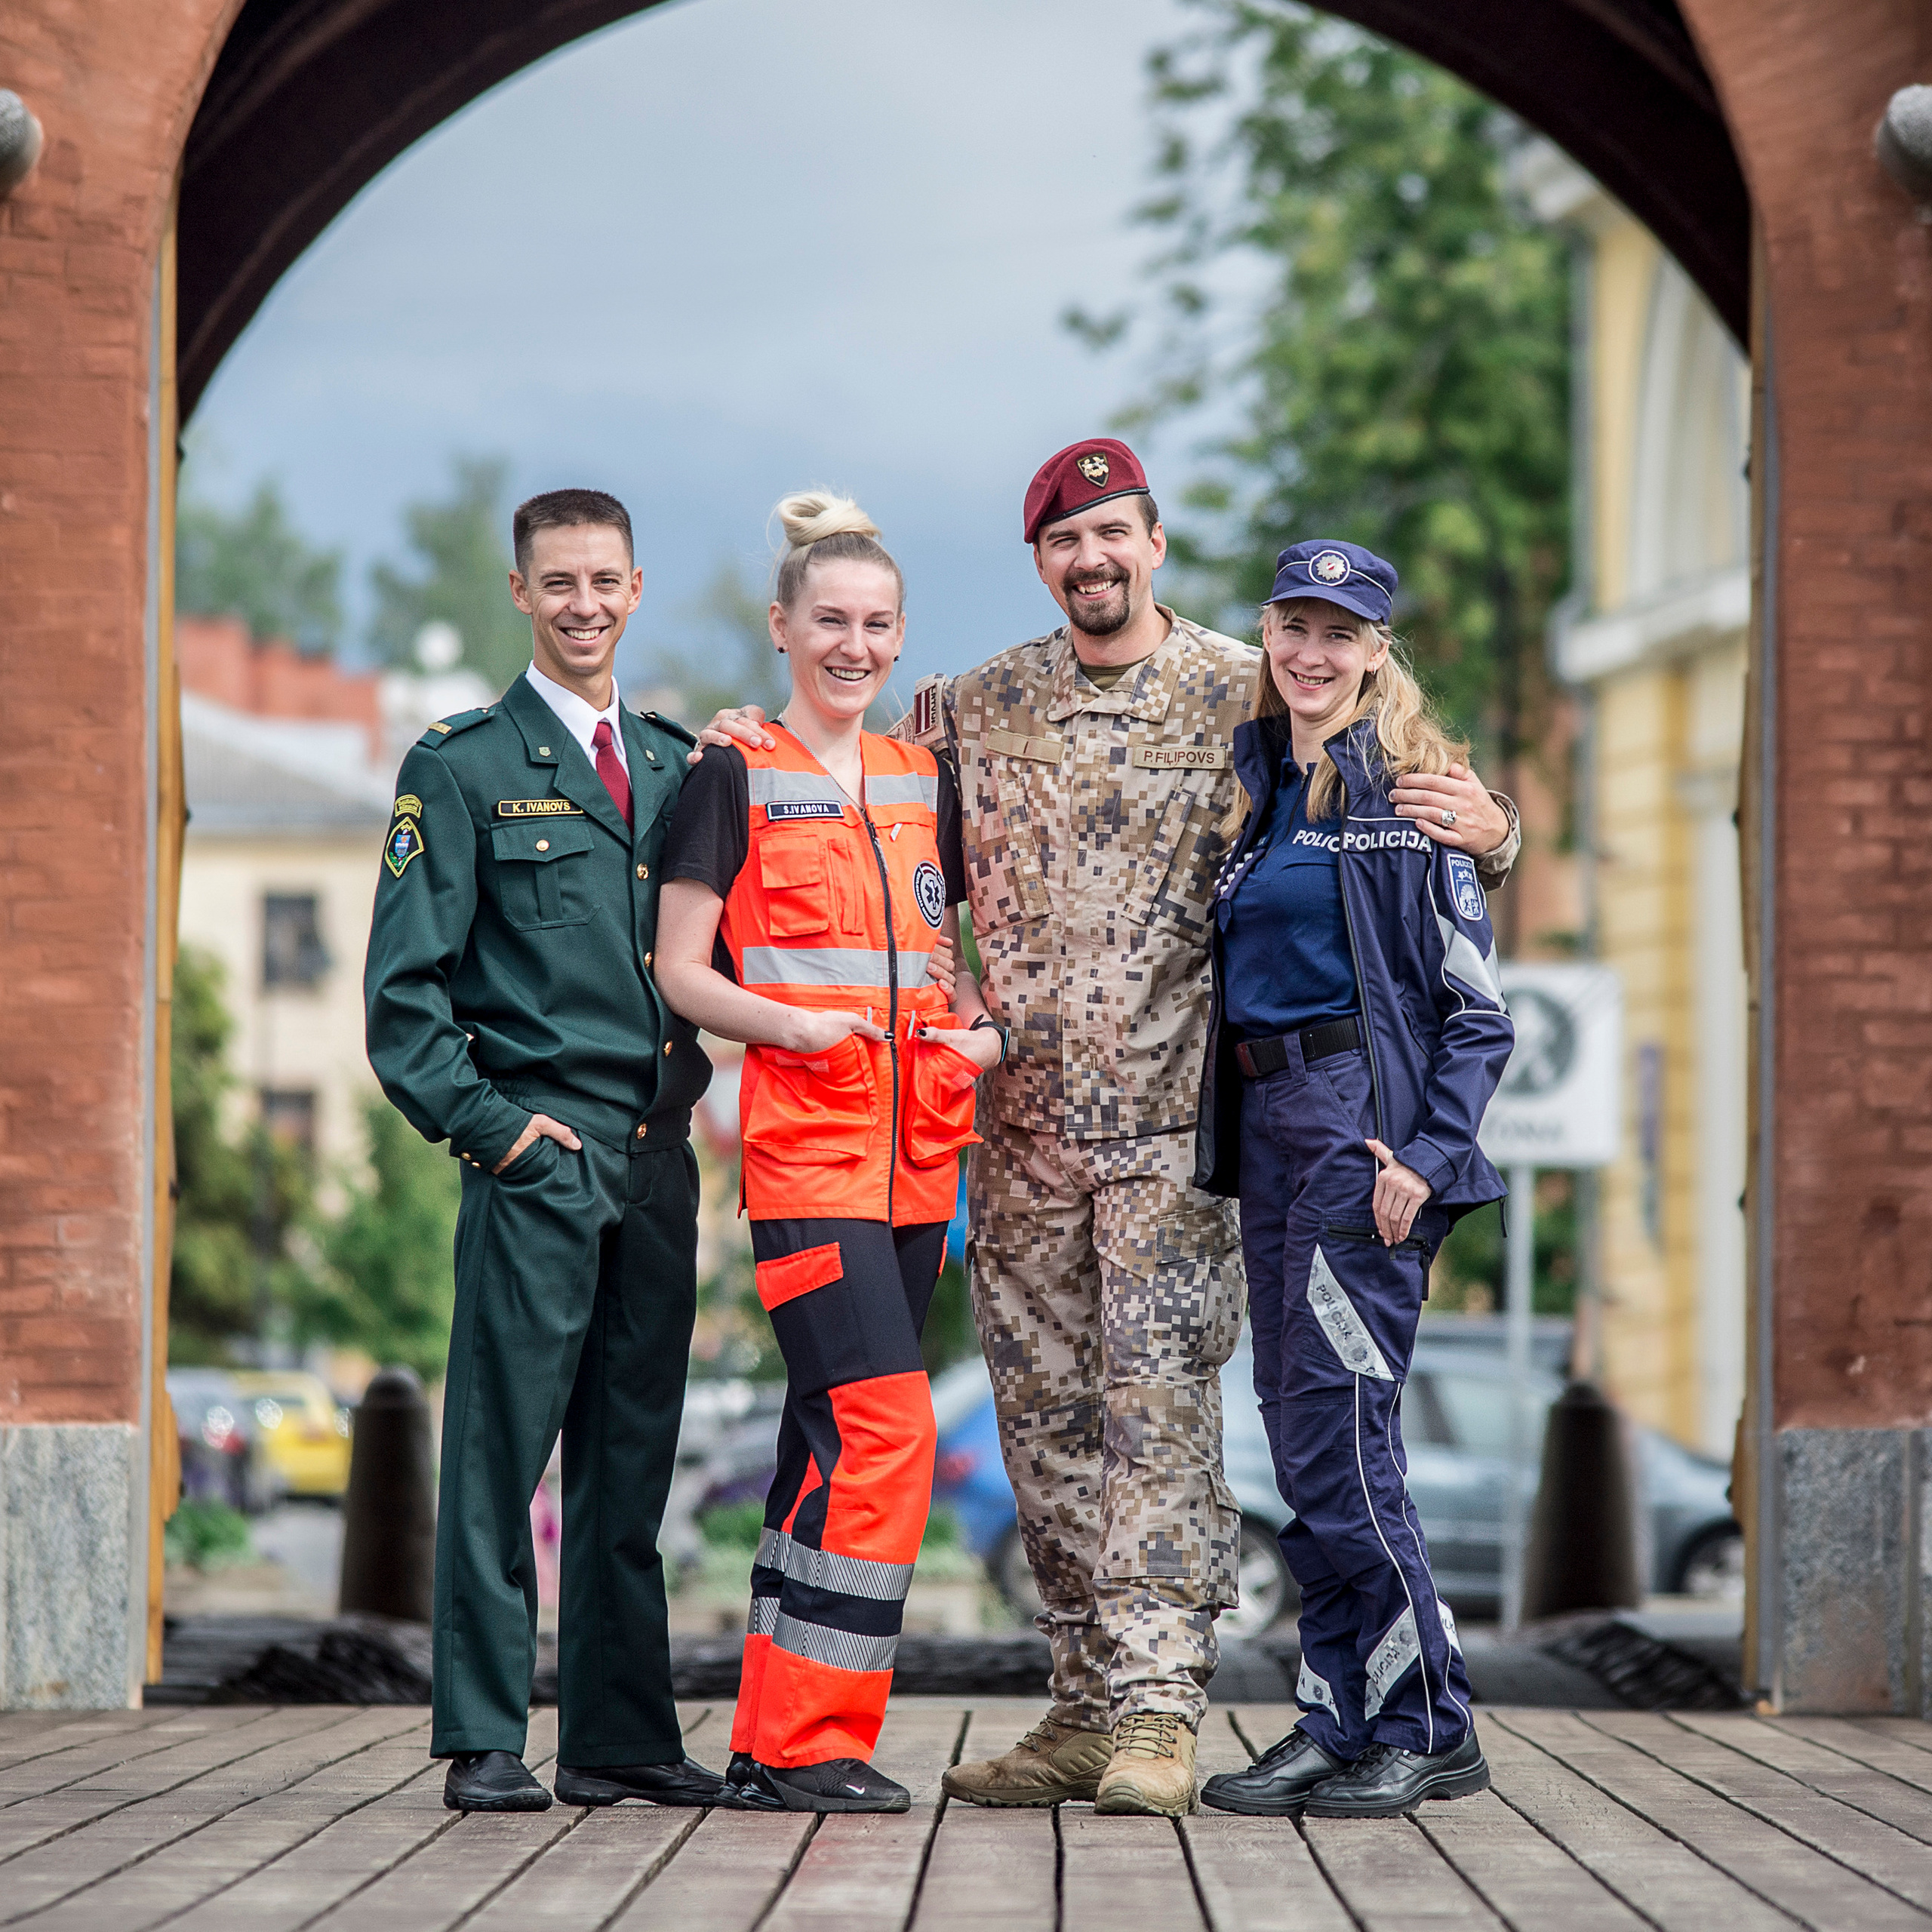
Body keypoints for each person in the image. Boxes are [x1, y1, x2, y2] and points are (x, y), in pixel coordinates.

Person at [697, 441, 1518, 1818]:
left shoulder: (1241, 693)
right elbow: (846, 757)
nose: (1095, 561)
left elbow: (1396, 797)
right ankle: (1081, 1705)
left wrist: (1493, 835)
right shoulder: (973, 705)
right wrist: (733, 737)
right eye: (1068, 541)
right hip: (1008, 1137)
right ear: (1041, 561)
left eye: (1117, 535)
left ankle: (1157, 1712)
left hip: (1175, 1140)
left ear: (1154, 541)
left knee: (1161, 1425)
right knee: (1044, 1429)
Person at [365, 488, 725, 1815]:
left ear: (639, 590)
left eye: (605, 582)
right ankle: (482, 1738)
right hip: (539, 1156)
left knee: (632, 1463)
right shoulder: (459, 767)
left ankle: (621, 1737)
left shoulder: (686, 767)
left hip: (658, 1162)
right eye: (558, 582)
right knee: (501, 1458)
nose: (584, 605)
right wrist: (500, 1137)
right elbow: (405, 1006)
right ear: (521, 592)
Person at [654, 492, 1002, 1814]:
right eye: (830, 623)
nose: (853, 646)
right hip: (808, 1166)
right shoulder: (728, 771)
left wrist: (984, 1036)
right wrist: (792, 1022)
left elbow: (950, 974)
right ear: (782, 627)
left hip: (922, 1166)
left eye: (876, 625)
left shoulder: (924, 782)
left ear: (901, 635)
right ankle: (816, 1742)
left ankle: (767, 1740)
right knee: (886, 1432)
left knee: (820, 1450)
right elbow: (682, 971)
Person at [1195, 540, 1512, 1820]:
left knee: (1347, 1443)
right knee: (1300, 1440)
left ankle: (1430, 1721)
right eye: (1294, 626)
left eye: (1341, 632)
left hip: (1355, 1140)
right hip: (1270, 1125)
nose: (1313, 653)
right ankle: (1339, 1715)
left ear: (1380, 650)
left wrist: (1427, 1161)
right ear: (1269, 634)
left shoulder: (1414, 794)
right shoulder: (1267, 779)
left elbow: (1478, 1013)